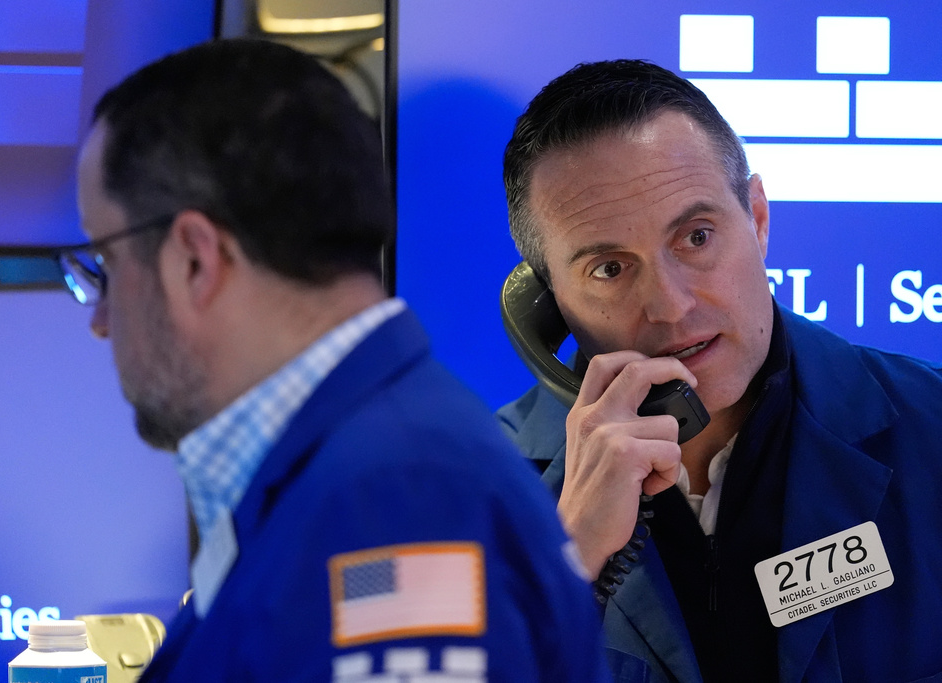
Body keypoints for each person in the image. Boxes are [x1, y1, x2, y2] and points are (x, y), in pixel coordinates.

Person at [58, 39, 610, 682]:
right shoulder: (356, 474)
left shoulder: (397, 503)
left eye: (104, 262)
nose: (100, 319)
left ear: (194, 260)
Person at [497, 59, 942, 682]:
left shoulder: (931, 429)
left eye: (697, 237)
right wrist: (569, 559)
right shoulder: (473, 487)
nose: (671, 305)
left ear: (757, 219)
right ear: (549, 306)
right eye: (610, 269)